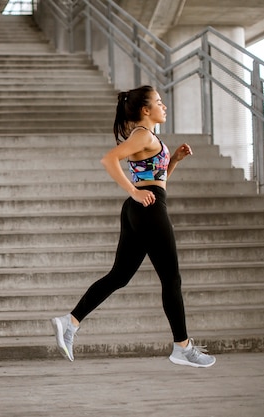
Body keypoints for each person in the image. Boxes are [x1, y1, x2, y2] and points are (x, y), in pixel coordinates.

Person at [51, 85, 216, 368]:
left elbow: (156, 180)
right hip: (146, 208)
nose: (164, 106)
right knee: (171, 279)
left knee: (119, 275)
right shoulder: (143, 134)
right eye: (159, 102)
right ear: (145, 110)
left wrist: (173, 160)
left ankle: (71, 321)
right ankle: (183, 347)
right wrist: (134, 192)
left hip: (141, 208)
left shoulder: (148, 138)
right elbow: (109, 159)